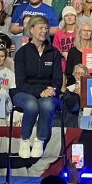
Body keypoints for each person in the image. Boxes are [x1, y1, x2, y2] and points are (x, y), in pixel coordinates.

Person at [13, 15, 62, 158]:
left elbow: (57, 80)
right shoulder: (22, 53)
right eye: (40, 28)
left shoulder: (54, 53)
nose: (44, 31)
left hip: (48, 93)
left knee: (47, 105)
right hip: (25, 92)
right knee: (31, 105)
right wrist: (40, 91)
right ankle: (24, 139)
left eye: (46, 28)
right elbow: (21, 83)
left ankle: (39, 140)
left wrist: (50, 90)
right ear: (32, 29)